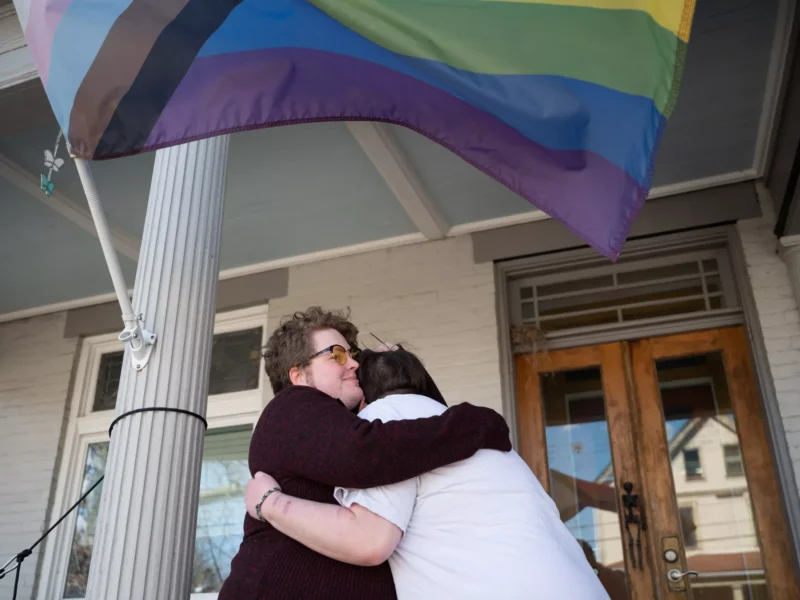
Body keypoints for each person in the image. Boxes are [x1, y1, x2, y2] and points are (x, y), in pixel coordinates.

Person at [246, 347, 611, 599]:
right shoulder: (477, 441)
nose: (351, 366)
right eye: (337, 356)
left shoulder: (386, 416)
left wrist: (269, 502)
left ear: (368, 398)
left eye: (354, 360)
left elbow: (368, 541)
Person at [219, 308, 511, 600]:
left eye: (353, 354)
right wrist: (475, 423)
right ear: (297, 375)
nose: (355, 364)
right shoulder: (291, 406)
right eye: (337, 355)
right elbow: (365, 453)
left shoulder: (331, 426)